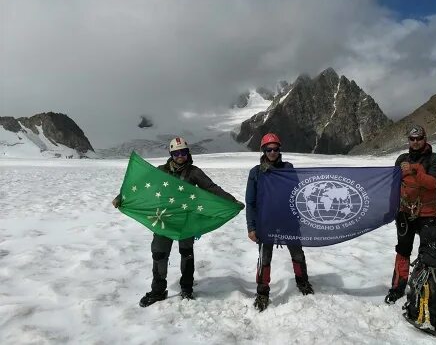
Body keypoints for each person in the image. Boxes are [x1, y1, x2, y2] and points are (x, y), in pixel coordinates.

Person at [112, 137, 242, 307]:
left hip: (186, 220)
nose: (181, 156)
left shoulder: (194, 172)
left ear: (188, 153)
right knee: (159, 254)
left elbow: (211, 188)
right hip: (163, 218)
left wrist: (231, 201)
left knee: (186, 253)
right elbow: (140, 185)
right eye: (177, 153)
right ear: (171, 154)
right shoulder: (160, 172)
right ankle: (158, 290)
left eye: (184, 152)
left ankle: (187, 288)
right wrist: (121, 197)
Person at [245, 132, 314, 312]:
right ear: (264, 150)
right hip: (265, 222)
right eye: (269, 149)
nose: (273, 152)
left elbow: (297, 194)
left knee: (297, 254)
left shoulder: (288, 168)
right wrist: (251, 227)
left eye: (276, 149)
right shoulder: (256, 173)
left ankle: (303, 282)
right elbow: (250, 202)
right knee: (265, 258)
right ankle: (262, 291)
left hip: (288, 221)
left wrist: (299, 217)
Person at [385, 125, 436, 304]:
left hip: (428, 213)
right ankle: (398, 286)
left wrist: (414, 169)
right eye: (412, 139)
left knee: (429, 252)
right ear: (409, 140)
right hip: (404, 212)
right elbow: (394, 185)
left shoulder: (435, 159)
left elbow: (432, 183)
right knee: (403, 249)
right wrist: (390, 207)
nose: (416, 142)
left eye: (419, 138)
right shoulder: (401, 158)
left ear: (425, 138)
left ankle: (426, 288)